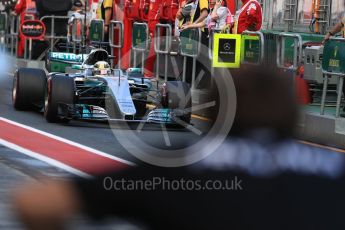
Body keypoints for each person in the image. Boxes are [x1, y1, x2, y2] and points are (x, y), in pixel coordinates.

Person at [13, 65, 345, 230]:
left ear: (219, 114)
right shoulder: (332, 169)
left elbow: (33, 204)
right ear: (292, 115)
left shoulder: (176, 167)